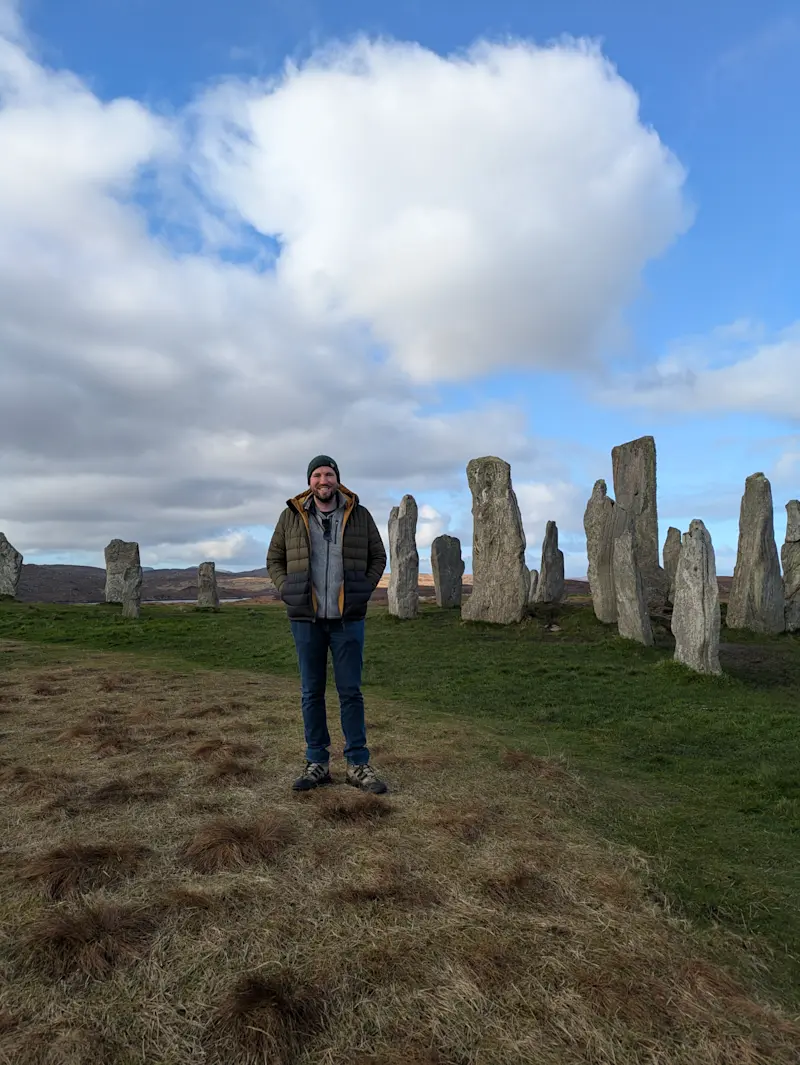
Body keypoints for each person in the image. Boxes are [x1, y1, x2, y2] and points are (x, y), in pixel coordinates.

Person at [266, 455, 388, 794]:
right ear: (309, 481)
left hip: (347, 618)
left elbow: (379, 556)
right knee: (311, 692)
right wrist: (286, 588)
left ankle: (357, 764)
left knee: (351, 692)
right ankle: (317, 762)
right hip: (306, 618)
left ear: (337, 479)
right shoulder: (291, 516)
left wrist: (363, 589)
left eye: (329, 474)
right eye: (318, 474)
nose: (324, 480)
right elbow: (274, 558)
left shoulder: (359, 514)